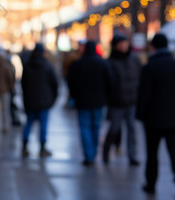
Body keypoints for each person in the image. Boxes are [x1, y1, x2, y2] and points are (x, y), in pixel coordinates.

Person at [137, 33, 175, 194]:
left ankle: (151, 183)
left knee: (152, 153)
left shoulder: (149, 67)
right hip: (173, 118)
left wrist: (140, 114)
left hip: (153, 119)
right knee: (174, 152)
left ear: (153, 46)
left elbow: (144, 94)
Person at [67, 40, 114, 166]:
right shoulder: (102, 64)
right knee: (96, 127)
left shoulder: (77, 64)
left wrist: (75, 96)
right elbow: (110, 82)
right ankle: (92, 152)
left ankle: (89, 155)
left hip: (82, 101)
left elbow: (70, 83)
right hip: (98, 102)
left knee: (85, 128)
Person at [102, 34, 141, 165]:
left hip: (132, 101)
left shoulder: (134, 59)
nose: (124, 46)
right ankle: (106, 151)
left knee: (132, 130)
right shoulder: (110, 62)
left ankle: (132, 156)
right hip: (116, 102)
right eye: (121, 43)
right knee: (114, 129)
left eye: (125, 43)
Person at [21, 43, 58, 157]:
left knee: (29, 123)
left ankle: (24, 146)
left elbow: (23, 84)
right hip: (44, 102)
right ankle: (42, 148)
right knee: (43, 125)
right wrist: (52, 99)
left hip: (30, 101)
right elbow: (55, 84)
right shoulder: (47, 65)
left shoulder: (27, 65)